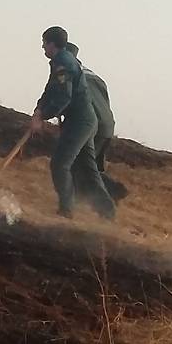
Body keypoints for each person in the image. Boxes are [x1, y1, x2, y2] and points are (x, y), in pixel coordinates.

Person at [30, 27, 116, 220]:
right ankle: (107, 212)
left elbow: (63, 97)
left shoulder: (64, 64)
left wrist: (43, 116)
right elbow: (50, 90)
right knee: (88, 170)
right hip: (83, 121)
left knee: (60, 164)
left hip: (80, 122)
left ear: (52, 44)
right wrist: (39, 110)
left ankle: (66, 210)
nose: (42, 46)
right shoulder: (59, 62)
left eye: (44, 42)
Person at [66, 42, 128, 203]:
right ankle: (85, 202)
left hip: (88, 125)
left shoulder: (70, 74)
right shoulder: (95, 76)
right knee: (87, 165)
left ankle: (111, 191)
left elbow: (66, 100)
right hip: (107, 125)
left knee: (77, 165)